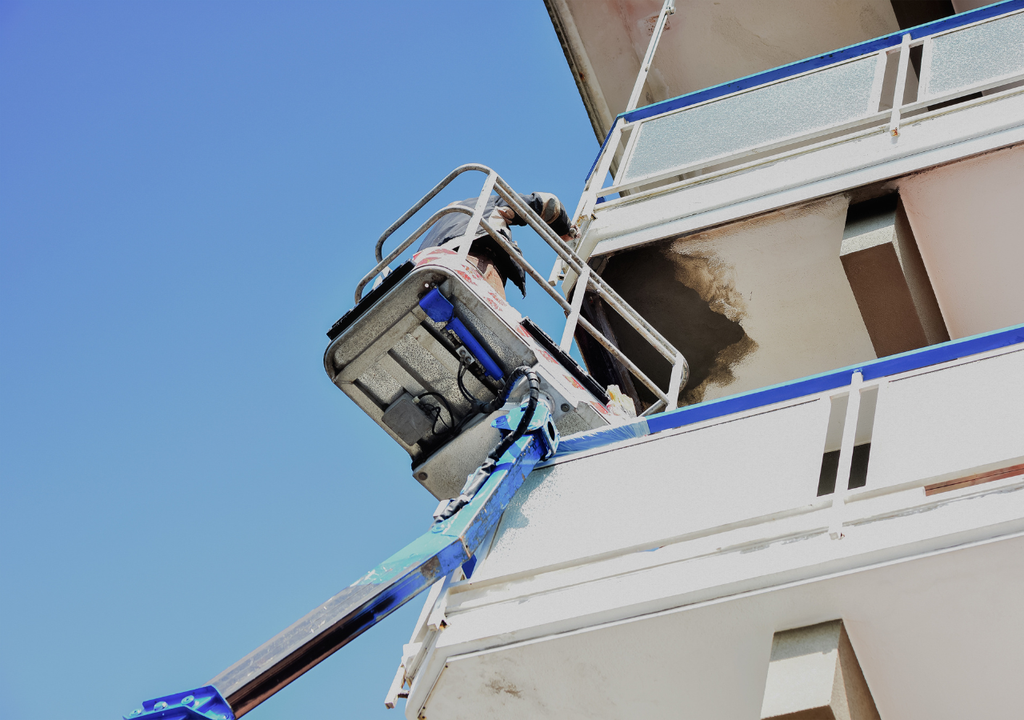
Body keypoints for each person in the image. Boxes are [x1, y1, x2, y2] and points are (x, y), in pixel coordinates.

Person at [417, 192, 575, 299]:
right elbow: (549, 203)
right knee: (488, 326)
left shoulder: (438, 227)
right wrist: (566, 230)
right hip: (474, 259)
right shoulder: (487, 204)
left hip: (425, 275)